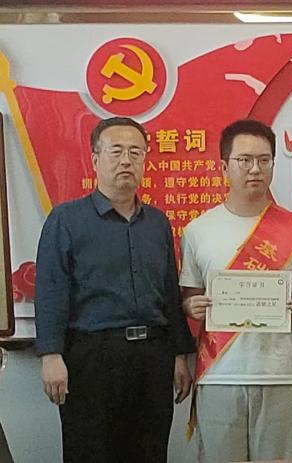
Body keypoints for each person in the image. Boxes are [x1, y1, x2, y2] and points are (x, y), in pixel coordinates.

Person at [34, 117, 194, 463]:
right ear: (95, 159)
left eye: (135, 153)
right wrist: (51, 355)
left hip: (152, 357)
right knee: (90, 453)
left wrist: (180, 354)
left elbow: (169, 292)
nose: (126, 161)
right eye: (116, 151)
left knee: (150, 453)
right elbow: (50, 290)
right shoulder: (66, 219)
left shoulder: (157, 223)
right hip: (92, 358)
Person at [179, 119, 292, 462]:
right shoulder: (198, 231)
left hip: (280, 372)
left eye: (264, 160)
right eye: (245, 160)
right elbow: (188, 297)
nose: (255, 169)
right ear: (224, 167)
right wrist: (192, 306)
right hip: (219, 373)